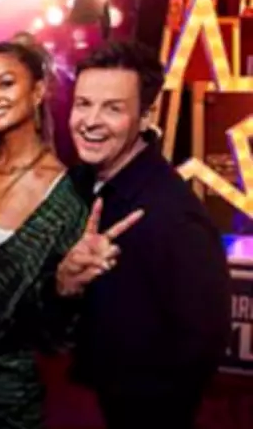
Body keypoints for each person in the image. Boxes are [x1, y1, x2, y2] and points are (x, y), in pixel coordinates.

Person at [0, 39, 129, 429]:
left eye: (6, 83)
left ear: (38, 90)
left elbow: (54, 329)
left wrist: (67, 286)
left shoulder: (61, 197)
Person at [60, 40, 230, 429]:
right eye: (83, 103)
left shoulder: (172, 215)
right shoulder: (81, 184)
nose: (90, 121)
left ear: (144, 117)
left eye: (113, 108)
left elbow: (203, 342)